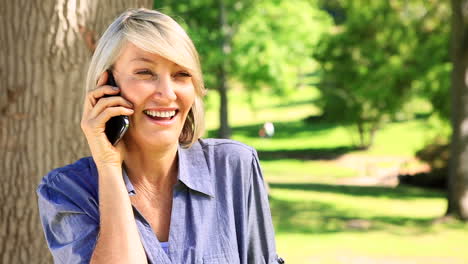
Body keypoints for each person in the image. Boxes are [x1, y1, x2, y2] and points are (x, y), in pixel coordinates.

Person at [37, 8, 282, 264]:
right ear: (106, 86)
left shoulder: (233, 166)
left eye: (181, 75)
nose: (167, 93)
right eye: (145, 73)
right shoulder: (66, 190)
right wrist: (109, 167)